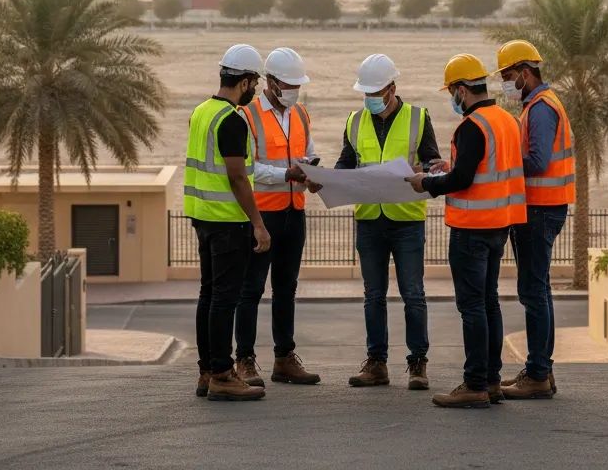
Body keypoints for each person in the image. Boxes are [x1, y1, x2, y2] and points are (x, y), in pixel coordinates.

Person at [406, 54, 526, 409]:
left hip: (471, 229)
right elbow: (485, 167)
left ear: (461, 90)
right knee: (489, 303)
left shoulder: (472, 125)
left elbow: (464, 179)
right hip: (499, 225)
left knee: (472, 307)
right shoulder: (505, 120)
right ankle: (491, 380)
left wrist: (426, 182)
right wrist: (450, 165)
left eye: (452, 92)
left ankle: (474, 383)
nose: (453, 98)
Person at [332, 52, 441, 390]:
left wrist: (425, 171)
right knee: (373, 295)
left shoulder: (418, 118)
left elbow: (433, 162)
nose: (369, 100)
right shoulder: (354, 120)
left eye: (375, 93)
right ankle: (376, 363)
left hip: (407, 219)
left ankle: (417, 363)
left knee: (413, 294)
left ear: (392, 88)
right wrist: (329, 179)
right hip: (369, 219)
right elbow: (345, 163)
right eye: (365, 93)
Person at [184, 43, 271, 402]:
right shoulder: (232, 119)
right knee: (224, 299)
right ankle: (222, 372)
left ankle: (208, 370)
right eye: (255, 84)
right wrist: (258, 224)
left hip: (202, 217)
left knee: (208, 294)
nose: (255, 91)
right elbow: (237, 177)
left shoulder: (201, 111)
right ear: (247, 81)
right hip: (228, 222)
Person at [234, 47, 322, 387]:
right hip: (263, 214)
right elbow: (248, 167)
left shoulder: (300, 114)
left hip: (294, 212)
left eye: (297, 85)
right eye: (288, 84)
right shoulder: (248, 115)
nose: (294, 91)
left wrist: (314, 173)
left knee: (286, 288)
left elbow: (309, 154)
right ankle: (245, 360)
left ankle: (284, 358)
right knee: (251, 288)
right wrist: (285, 174)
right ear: (269, 82)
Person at [496, 39, 576, 400]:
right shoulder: (538, 104)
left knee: (533, 292)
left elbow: (538, 161)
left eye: (509, 76)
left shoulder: (541, 109)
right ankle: (538, 369)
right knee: (539, 290)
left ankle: (539, 373)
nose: (506, 83)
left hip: (540, 209)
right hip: (544, 207)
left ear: (525, 73)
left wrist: (502, 164)